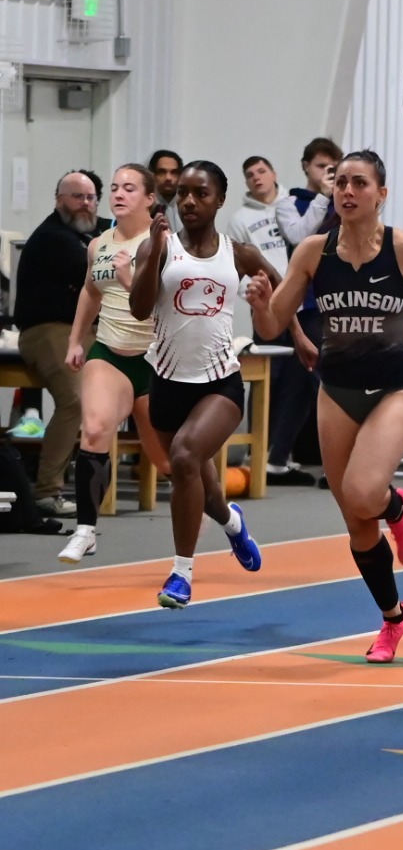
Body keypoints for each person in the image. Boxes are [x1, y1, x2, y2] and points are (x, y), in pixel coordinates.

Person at [245, 151, 403, 659]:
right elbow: (271, 327)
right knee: (356, 520)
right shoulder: (312, 251)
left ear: (381, 194)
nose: (347, 192)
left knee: (361, 490)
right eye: (340, 183)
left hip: (394, 391)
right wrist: (263, 304)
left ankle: (394, 505)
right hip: (337, 392)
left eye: (359, 183)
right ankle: (393, 619)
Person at [129, 162, 296, 608]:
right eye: (182, 193)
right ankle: (233, 524)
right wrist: (158, 249)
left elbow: (284, 293)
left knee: (185, 456)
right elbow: (141, 309)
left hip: (220, 382)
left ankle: (181, 575)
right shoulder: (158, 247)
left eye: (200, 194)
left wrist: (301, 339)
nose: (188, 201)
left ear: (220, 200)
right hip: (166, 382)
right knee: (196, 477)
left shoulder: (237, 253)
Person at [56, 165, 175, 562]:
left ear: (149, 199)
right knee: (94, 430)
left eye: (129, 188)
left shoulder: (164, 243)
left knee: (169, 462)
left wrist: (128, 279)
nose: (119, 194)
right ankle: (86, 530)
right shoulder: (99, 243)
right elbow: (90, 292)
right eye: (115, 188)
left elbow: (161, 304)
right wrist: (76, 340)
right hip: (110, 353)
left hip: (155, 359)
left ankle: (229, 520)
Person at [13, 170, 110, 518]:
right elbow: (98, 274)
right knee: (74, 402)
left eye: (90, 198)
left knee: (122, 392)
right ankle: (46, 492)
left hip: (88, 329)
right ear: (59, 200)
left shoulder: (99, 230)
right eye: (76, 197)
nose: (85, 204)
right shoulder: (53, 236)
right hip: (48, 329)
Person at [229, 155, 315, 486]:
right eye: (249, 174)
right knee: (268, 376)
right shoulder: (241, 218)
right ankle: (258, 452)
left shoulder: (293, 207)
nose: (257, 178)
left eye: (262, 171)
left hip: (301, 301)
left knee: (300, 379)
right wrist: (249, 292)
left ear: (275, 173)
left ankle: (280, 455)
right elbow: (236, 265)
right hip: (266, 302)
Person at [147, 150, 184, 233]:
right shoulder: (143, 207)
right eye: (162, 172)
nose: (168, 178)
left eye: (174, 172)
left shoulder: (187, 207)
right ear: (152, 175)